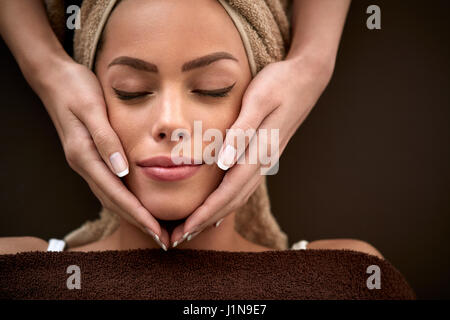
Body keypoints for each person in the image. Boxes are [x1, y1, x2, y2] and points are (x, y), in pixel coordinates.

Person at [0, 0, 382, 259]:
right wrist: (45, 68)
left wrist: (312, 62)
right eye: (130, 90)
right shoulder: (19, 270)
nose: (170, 122)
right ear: (88, 99)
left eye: (213, 87)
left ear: (265, 101)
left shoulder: (336, 273)